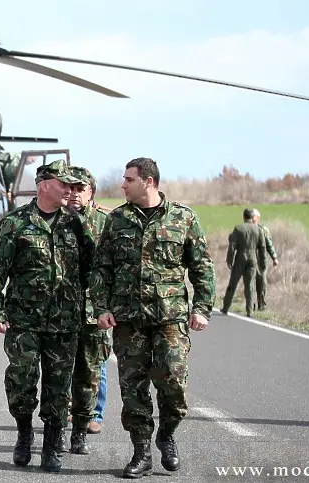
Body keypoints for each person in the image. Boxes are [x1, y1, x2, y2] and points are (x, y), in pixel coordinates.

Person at [90, 157, 215, 478]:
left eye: (128, 179)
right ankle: (141, 452)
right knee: (133, 390)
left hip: (169, 319)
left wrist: (201, 309)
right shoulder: (116, 220)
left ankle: (167, 434)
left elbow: (202, 267)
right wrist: (101, 307)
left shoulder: (183, 218)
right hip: (127, 320)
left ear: (148, 181)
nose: (122, 185)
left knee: (173, 384)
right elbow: (101, 268)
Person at [0, 159, 93, 473]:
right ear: (45, 185)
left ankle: (51, 446)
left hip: (65, 321)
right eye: (64, 184)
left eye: (74, 186)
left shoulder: (75, 223)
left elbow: (90, 269)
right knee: (21, 381)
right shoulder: (15, 222)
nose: (71, 191)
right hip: (24, 321)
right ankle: (24, 432)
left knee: (59, 386)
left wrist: (97, 308)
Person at [65, 165, 111, 454]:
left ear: (91, 192)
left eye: (80, 189)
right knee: (65, 363)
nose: (73, 195)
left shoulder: (107, 221)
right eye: (69, 189)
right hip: (64, 307)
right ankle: (71, 411)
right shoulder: (58, 221)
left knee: (97, 363)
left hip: (95, 307)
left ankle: (94, 414)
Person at [221, 209, 266, 317]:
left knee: (233, 283)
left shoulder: (239, 228)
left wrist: (229, 260)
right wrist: (263, 262)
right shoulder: (259, 230)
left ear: (244, 217)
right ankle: (249, 310)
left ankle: (226, 307)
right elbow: (262, 247)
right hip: (253, 259)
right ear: (252, 217)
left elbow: (232, 246)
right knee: (250, 285)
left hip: (240, 257)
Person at [251, 208, 279, 311]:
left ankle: (261, 304)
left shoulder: (263, 230)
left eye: (253, 217)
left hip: (260, 262)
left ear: (258, 218)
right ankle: (250, 304)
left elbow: (269, 244)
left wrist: (274, 258)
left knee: (262, 283)